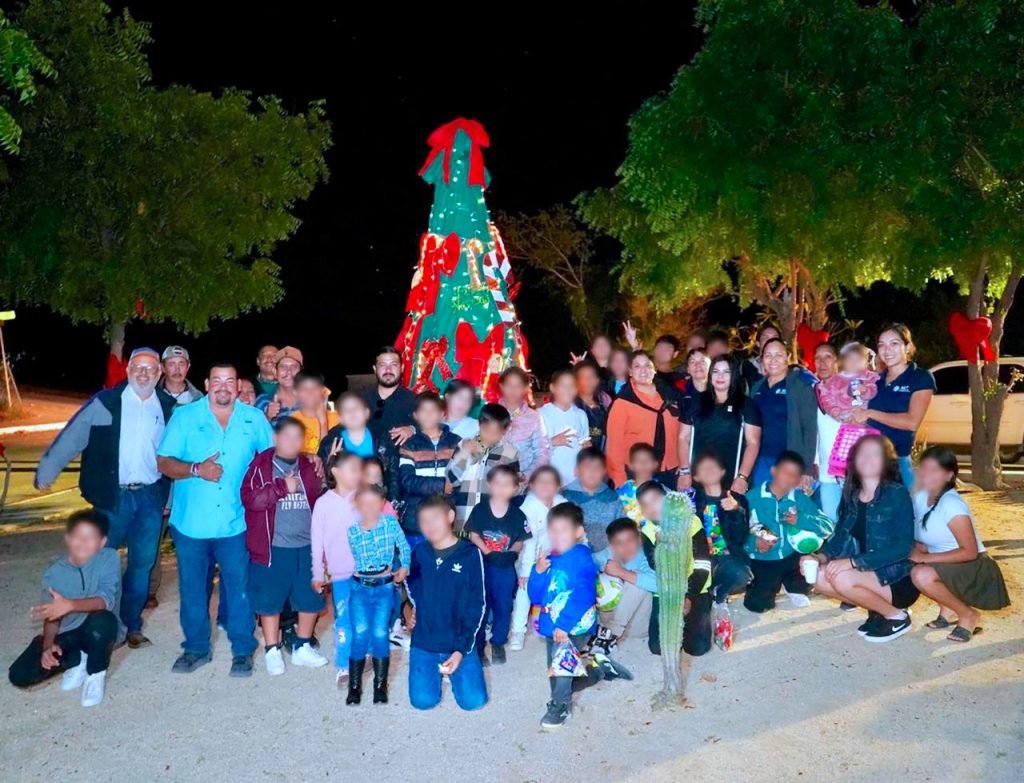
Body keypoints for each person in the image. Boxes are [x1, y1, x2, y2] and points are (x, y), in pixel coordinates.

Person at [35, 347, 176, 650]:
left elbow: (176, 455)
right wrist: (47, 470)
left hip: (150, 497)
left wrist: (171, 498)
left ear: (159, 374)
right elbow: (73, 435)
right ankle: (98, 625)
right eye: (137, 367)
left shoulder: (167, 407)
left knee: (142, 564)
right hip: (113, 497)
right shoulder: (107, 401)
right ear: (127, 371)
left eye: (150, 369)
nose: (143, 373)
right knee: (99, 563)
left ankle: (131, 625)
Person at [156, 362, 274, 677]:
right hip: (192, 524)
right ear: (207, 384)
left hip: (237, 524)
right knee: (193, 589)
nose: (223, 386)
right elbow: (164, 462)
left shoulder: (254, 419)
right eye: (217, 380)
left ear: (238, 386)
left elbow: (273, 462)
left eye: (230, 381)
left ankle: (242, 650)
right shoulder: (185, 417)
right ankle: (195, 649)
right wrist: (195, 469)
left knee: (240, 589)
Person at [806, 435, 918, 642]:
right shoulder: (853, 496)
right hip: (866, 574)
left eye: (875, 453)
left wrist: (852, 562)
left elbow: (903, 548)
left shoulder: (897, 493)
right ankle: (878, 610)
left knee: (841, 576)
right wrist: (818, 558)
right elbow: (839, 539)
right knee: (819, 577)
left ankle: (897, 616)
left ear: (886, 460)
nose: (867, 458)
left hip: (895, 577)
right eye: (862, 454)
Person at [8, 510, 123, 707]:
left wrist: (70, 605)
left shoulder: (109, 558)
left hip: (100, 628)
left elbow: (105, 601)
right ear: (68, 539)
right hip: (70, 633)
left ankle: (95, 673)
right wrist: (48, 646)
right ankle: (77, 659)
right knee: (20, 674)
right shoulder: (54, 573)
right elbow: (52, 616)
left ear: (102, 542)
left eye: (91, 538)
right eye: (78, 536)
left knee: (102, 622)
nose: (83, 542)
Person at [240, 417, 327, 677]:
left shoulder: (311, 466)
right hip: (272, 546)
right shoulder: (260, 465)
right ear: (275, 438)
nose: (291, 442)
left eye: (297, 437)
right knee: (269, 599)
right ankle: (272, 649)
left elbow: (322, 499)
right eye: (286, 436)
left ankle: (302, 646)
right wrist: (281, 488)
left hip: (307, 546)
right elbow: (249, 499)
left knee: (311, 596)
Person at [910, 446, 1010, 643]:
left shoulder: (952, 505)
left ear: (948, 476)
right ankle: (948, 610)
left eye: (934, 470)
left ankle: (968, 615)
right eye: (923, 468)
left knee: (920, 575)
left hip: (973, 566)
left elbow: (970, 552)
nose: (925, 474)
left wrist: (924, 557)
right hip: (944, 561)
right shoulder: (921, 497)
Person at [406, 495, 488, 712]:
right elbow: (412, 584)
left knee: (474, 702)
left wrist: (461, 650)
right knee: (423, 702)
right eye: (423, 521)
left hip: (458, 641)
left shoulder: (470, 554)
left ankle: (456, 668)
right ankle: (434, 671)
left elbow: (477, 604)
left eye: (435, 518)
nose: (429, 526)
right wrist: (413, 607)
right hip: (425, 641)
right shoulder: (419, 553)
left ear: (450, 516)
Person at [526, 501, 601, 730]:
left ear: (578, 532)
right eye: (553, 529)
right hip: (553, 625)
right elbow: (536, 596)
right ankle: (589, 674)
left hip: (573, 626)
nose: (556, 535)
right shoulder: (550, 558)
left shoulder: (582, 559)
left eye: (563, 529)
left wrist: (565, 625)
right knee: (555, 665)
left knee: (559, 666)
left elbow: (583, 595)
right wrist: (537, 572)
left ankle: (561, 705)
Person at [744, 451, 833, 613]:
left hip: (793, 556)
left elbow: (828, 526)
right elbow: (736, 532)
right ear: (773, 471)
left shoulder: (799, 498)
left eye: (794, 475)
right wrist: (753, 543)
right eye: (785, 472)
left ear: (798, 479)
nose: (788, 478)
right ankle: (766, 583)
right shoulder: (752, 497)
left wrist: (802, 519)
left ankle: (794, 586)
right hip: (763, 558)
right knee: (757, 605)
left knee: (810, 574)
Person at [345, 485, 410, 705]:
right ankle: (354, 687)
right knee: (361, 632)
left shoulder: (391, 524)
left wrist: (405, 566)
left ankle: (380, 686)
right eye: (364, 504)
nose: (370, 508)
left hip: (384, 586)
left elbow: (404, 546)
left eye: (375, 503)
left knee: (381, 632)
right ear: (357, 506)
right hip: (359, 587)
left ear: (383, 503)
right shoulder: (352, 530)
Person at [635, 482, 713, 659]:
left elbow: (703, 564)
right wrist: (661, 545)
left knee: (698, 649)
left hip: (696, 586)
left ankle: (707, 607)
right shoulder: (647, 530)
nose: (652, 507)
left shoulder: (692, 522)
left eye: (655, 500)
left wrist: (689, 596)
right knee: (658, 648)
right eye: (645, 504)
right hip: (667, 591)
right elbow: (654, 565)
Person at [853, 324, 936, 488]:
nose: (887, 350)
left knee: (904, 511)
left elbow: (912, 422)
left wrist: (870, 413)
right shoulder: (876, 380)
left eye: (894, 344)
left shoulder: (920, 377)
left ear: (908, 347)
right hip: (869, 463)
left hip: (898, 463)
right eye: (881, 345)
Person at [465, 464, 530, 665]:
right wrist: (487, 551)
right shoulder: (480, 510)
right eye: (497, 484)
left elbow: (520, 539)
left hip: (505, 568)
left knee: (503, 606)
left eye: (507, 485)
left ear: (515, 489)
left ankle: (499, 642)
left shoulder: (518, 515)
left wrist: (512, 553)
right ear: (489, 485)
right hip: (482, 567)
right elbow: (473, 533)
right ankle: (478, 645)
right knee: (480, 606)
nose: (501, 489)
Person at [311, 452, 362, 687]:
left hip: (367, 573)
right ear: (336, 472)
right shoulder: (323, 504)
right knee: (343, 619)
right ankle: (343, 665)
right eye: (353, 469)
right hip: (341, 574)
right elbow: (317, 541)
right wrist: (317, 573)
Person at [677, 355, 761, 494]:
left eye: (726, 372)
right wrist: (684, 471)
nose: (720, 376)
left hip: (731, 479)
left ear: (733, 375)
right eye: (716, 371)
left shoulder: (746, 405)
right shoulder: (696, 402)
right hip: (697, 478)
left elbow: (753, 443)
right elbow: (683, 437)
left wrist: (742, 477)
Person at [816, 342, 880, 520]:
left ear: (838, 361)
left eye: (828, 357)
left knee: (858, 518)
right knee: (832, 520)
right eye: (817, 358)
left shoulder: (857, 384)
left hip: (856, 467)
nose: (822, 363)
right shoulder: (814, 389)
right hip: (827, 472)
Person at [747, 338, 818, 490]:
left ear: (787, 357)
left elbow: (810, 430)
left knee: (787, 511)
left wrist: (806, 469)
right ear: (762, 359)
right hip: (760, 461)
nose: (773, 360)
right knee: (761, 509)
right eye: (768, 355)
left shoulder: (800, 387)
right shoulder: (756, 388)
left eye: (778, 355)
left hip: (788, 461)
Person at [605, 350, 682, 487]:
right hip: (637, 473)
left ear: (654, 370)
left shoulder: (671, 395)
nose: (643, 370)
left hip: (671, 470)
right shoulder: (622, 403)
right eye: (637, 366)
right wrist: (620, 480)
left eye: (647, 365)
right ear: (630, 372)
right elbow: (614, 446)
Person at [511, 466, 566, 651]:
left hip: (557, 554)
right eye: (540, 481)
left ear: (558, 486)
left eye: (550, 481)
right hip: (531, 557)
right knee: (524, 589)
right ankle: (518, 630)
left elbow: (574, 529)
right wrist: (527, 570)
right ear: (532, 485)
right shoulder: (528, 507)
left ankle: (558, 622)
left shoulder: (561, 503)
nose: (545, 485)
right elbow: (529, 541)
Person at [398, 392, 461, 548]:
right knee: (417, 566)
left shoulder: (455, 442)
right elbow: (407, 481)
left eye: (433, 410)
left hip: (447, 517)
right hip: (416, 519)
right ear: (415, 415)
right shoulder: (409, 445)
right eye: (423, 411)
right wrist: (441, 485)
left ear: (441, 414)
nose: (428, 415)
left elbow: (462, 475)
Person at [691, 452, 754, 603]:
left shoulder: (736, 499)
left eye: (713, 467)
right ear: (696, 477)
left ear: (722, 472)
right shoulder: (692, 503)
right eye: (703, 468)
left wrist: (735, 511)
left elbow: (741, 538)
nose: (709, 470)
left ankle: (718, 593)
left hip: (728, 557)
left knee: (742, 575)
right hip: (701, 559)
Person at [446, 403, 520, 528]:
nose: (490, 436)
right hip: (464, 517)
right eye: (486, 430)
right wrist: (465, 454)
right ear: (479, 424)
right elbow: (452, 479)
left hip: (493, 520)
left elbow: (514, 490)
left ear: (505, 431)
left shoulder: (510, 453)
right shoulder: (465, 444)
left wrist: (518, 480)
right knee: (465, 547)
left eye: (495, 433)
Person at [592, 518, 657, 652]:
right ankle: (600, 630)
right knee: (588, 576)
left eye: (630, 540)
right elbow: (583, 563)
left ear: (639, 539)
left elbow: (660, 585)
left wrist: (621, 572)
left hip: (637, 625)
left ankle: (610, 636)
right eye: (619, 543)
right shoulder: (607, 555)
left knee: (636, 581)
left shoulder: (648, 556)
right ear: (611, 545)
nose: (626, 547)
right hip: (605, 619)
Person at [562, 448, 621, 551]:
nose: (592, 471)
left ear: (604, 471)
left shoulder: (613, 497)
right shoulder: (564, 497)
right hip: (574, 555)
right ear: (576, 470)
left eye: (597, 467)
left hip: (608, 555)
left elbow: (621, 528)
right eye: (587, 467)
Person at [540, 369, 592, 486]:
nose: (568, 390)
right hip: (550, 479)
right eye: (563, 385)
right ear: (553, 388)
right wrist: (552, 441)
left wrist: (586, 450)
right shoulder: (541, 414)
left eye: (572, 386)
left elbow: (585, 442)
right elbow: (533, 449)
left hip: (576, 478)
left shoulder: (580, 414)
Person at [360, 345, 417, 448]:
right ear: (375, 369)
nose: (388, 370)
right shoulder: (360, 399)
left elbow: (430, 427)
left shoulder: (413, 401)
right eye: (382, 365)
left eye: (393, 365)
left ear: (402, 368)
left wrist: (412, 429)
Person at [499, 366, 549, 479]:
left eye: (518, 386)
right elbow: (480, 442)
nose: (513, 390)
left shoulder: (533, 417)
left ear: (525, 388)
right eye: (508, 385)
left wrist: (527, 476)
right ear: (501, 386)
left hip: (522, 483)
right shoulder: (492, 413)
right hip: (494, 481)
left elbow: (542, 451)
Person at [616, 443, 663, 537]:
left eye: (647, 460)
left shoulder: (663, 492)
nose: (643, 464)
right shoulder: (620, 493)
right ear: (630, 465)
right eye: (638, 461)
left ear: (655, 464)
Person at [289, 373, 339, 455]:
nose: (310, 393)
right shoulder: (292, 421)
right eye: (304, 389)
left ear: (323, 391)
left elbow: (329, 456)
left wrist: (323, 420)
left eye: (315, 388)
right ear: (295, 392)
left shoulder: (337, 419)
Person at [256, 346, 303, 423]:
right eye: (283, 367)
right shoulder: (263, 401)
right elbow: (252, 432)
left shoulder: (311, 401)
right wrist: (267, 417)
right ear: (275, 372)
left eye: (294, 367)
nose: (289, 372)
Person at [574, 361, 612, 451]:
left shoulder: (605, 406)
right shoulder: (570, 406)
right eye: (583, 377)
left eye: (591, 377)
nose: (588, 381)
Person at [680, 347, 711, 417]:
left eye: (702, 361)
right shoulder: (679, 391)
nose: (698, 365)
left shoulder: (720, 391)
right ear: (688, 369)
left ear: (711, 365)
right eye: (692, 362)